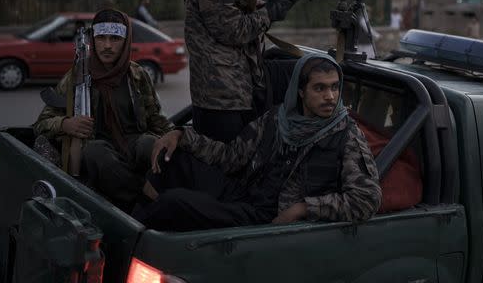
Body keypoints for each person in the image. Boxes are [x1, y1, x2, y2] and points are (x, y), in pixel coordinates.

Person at [133, 53, 382, 231]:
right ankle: (135, 219)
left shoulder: (346, 134)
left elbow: (366, 200)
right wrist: (181, 136)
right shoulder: (277, 118)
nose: (330, 97)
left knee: (174, 202)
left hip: (266, 217)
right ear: (300, 91)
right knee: (173, 159)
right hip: (243, 191)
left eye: (334, 88)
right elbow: (231, 156)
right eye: (319, 88)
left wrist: (304, 208)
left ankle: (135, 240)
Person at [33, 9, 173, 208]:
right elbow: (41, 123)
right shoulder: (76, 76)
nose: (107, 46)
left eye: (115, 38)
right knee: (95, 152)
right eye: (101, 38)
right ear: (93, 39)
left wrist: (175, 137)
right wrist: (65, 124)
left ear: (126, 41)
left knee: (150, 144)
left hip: (133, 145)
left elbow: (157, 120)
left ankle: (164, 197)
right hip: (100, 151)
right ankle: (143, 197)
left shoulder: (138, 75)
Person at [183, 0, 299, 141]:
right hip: (220, 98)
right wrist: (273, 10)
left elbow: (250, 9)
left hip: (237, 90)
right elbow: (233, 29)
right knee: (226, 165)